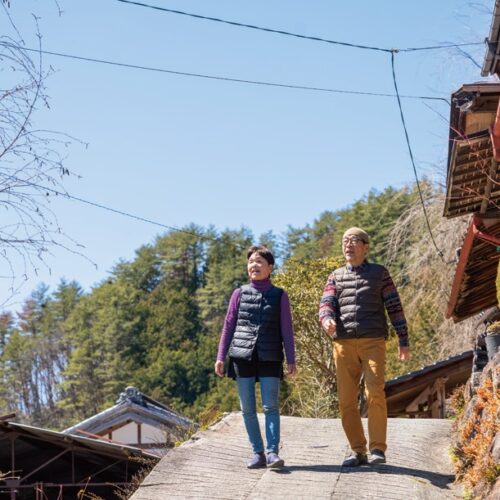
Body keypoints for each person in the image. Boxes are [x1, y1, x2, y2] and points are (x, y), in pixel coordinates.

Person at [319, 227, 410, 467]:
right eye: (344, 241)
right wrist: (326, 318)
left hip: (373, 341)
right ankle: (357, 451)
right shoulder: (335, 276)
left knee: (375, 393)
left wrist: (403, 339)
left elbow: (394, 306)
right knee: (346, 400)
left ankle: (378, 448)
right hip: (343, 343)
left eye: (353, 240)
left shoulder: (379, 273)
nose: (347, 245)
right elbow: (326, 302)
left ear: (365, 247)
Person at [215, 245, 296, 469]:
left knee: (271, 407)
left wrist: (291, 358)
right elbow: (228, 326)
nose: (254, 265)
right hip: (242, 356)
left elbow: (286, 329)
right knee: (248, 409)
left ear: (270, 268)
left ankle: (272, 453)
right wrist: (221, 356)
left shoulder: (279, 295)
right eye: (251, 261)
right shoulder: (239, 294)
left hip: (270, 355)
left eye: (259, 261)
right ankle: (257, 453)